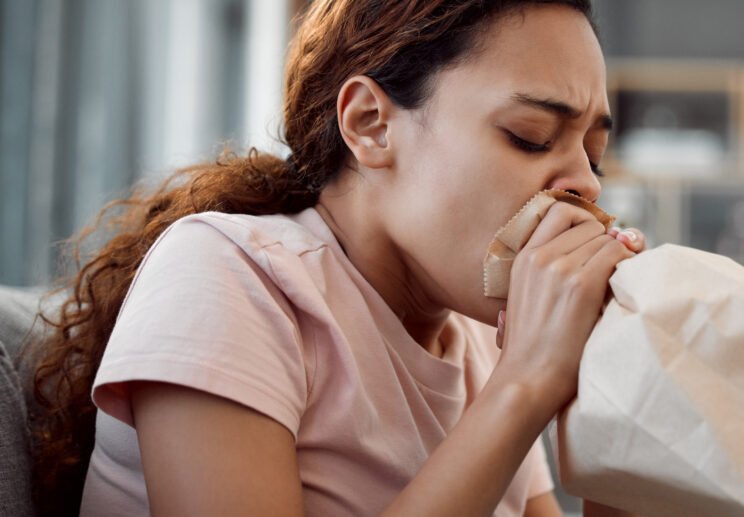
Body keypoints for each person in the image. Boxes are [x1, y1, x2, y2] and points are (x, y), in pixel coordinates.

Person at [26, 1, 647, 515]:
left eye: (593, 156)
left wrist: (616, 394)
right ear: (371, 124)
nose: (587, 187)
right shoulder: (231, 275)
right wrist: (527, 383)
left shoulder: (483, 342)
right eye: (532, 136)